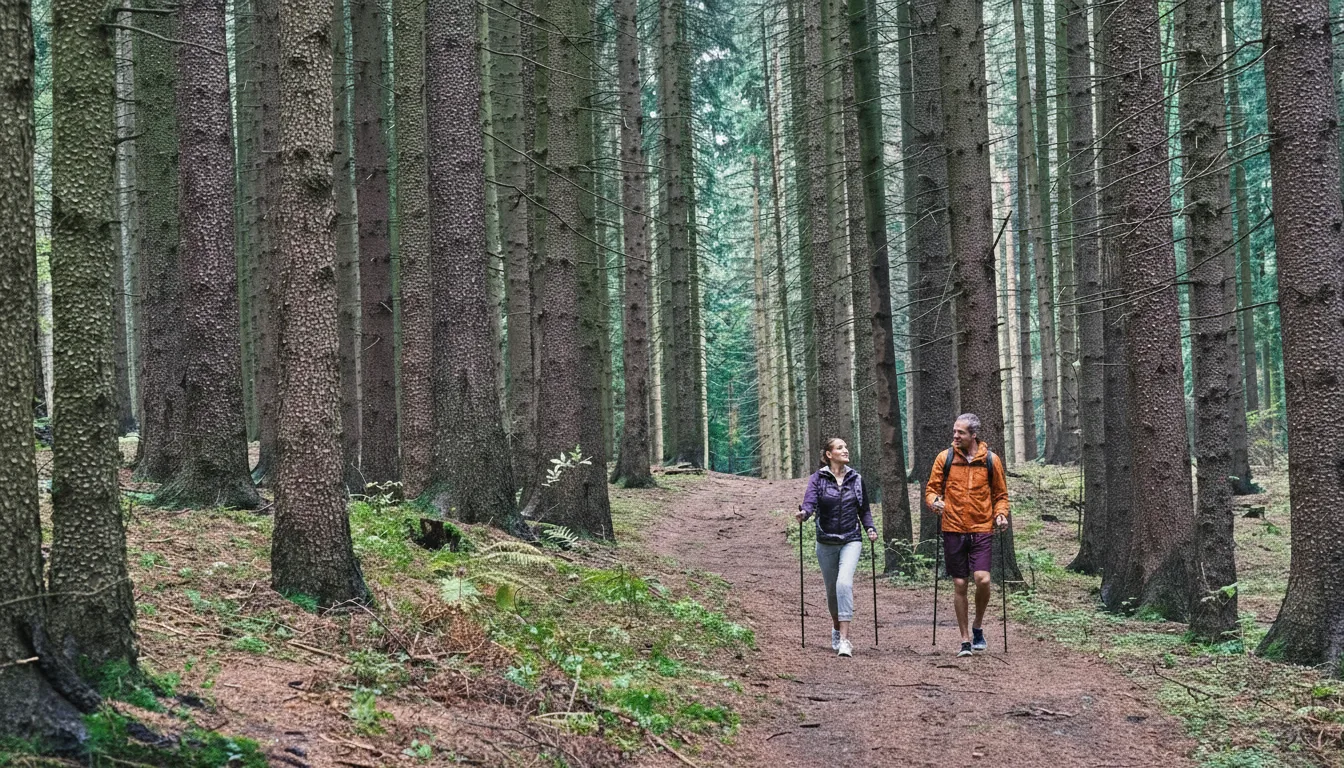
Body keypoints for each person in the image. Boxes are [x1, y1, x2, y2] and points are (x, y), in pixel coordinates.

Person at [925, 414, 1010, 657]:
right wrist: (935, 502)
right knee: (960, 583)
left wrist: (1001, 514)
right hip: (953, 528)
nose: (955, 436)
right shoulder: (945, 458)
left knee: (983, 580)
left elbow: (1001, 495)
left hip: (982, 527)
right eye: (954, 431)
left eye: (960, 432)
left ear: (973, 435)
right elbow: (931, 490)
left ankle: (977, 626)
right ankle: (965, 640)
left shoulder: (991, 460)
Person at [795, 438, 878, 657]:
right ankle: (836, 627)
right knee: (832, 593)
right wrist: (804, 513)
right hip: (826, 541)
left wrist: (870, 528)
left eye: (846, 447)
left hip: (851, 539)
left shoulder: (856, 478)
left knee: (844, 584)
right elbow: (810, 503)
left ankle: (845, 639)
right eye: (840, 447)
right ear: (829, 454)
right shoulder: (818, 478)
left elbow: (864, 509)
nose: (845, 450)